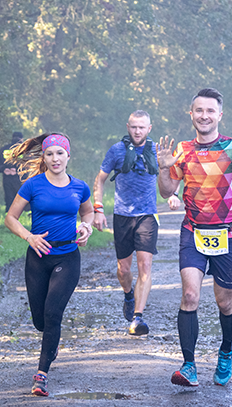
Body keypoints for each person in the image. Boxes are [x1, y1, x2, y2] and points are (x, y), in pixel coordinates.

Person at [156, 88, 232, 387]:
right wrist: (163, 168)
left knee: (225, 302)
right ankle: (189, 366)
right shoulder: (182, 151)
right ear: (191, 114)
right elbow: (167, 192)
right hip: (193, 232)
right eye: (199, 110)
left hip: (228, 234)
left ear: (219, 115)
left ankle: (225, 351)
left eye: (210, 111)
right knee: (190, 296)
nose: (204, 116)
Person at [5, 133, 94, 397]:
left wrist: (86, 226)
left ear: (68, 156)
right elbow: (11, 218)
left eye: (60, 153)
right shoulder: (33, 185)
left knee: (53, 313)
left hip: (68, 254)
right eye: (49, 154)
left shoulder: (79, 187)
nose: (55, 158)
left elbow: (87, 211)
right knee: (41, 321)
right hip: (38, 257)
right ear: (43, 157)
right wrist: (29, 237)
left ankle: (41, 375)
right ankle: (50, 338)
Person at [93, 110, 160, 336]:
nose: (137, 131)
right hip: (122, 216)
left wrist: (173, 195)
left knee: (145, 266)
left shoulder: (157, 151)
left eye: (142, 127)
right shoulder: (116, 151)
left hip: (148, 216)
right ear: (127, 127)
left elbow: (173, 176)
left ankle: (137, 318)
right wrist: (98, 208)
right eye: (133, 127)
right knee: (123, 269)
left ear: (149, 129)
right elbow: (100, 179)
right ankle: (128, 294)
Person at [0, 131, 25, 212]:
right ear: (21, 139)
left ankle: (9, 216)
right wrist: (17, 170)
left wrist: (4, 169)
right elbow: (29, 164)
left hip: (7, 178)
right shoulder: (24, 150)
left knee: (9, 198)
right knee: (23, 198)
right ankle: (24, 215)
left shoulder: (4, 149)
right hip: (21, 178)